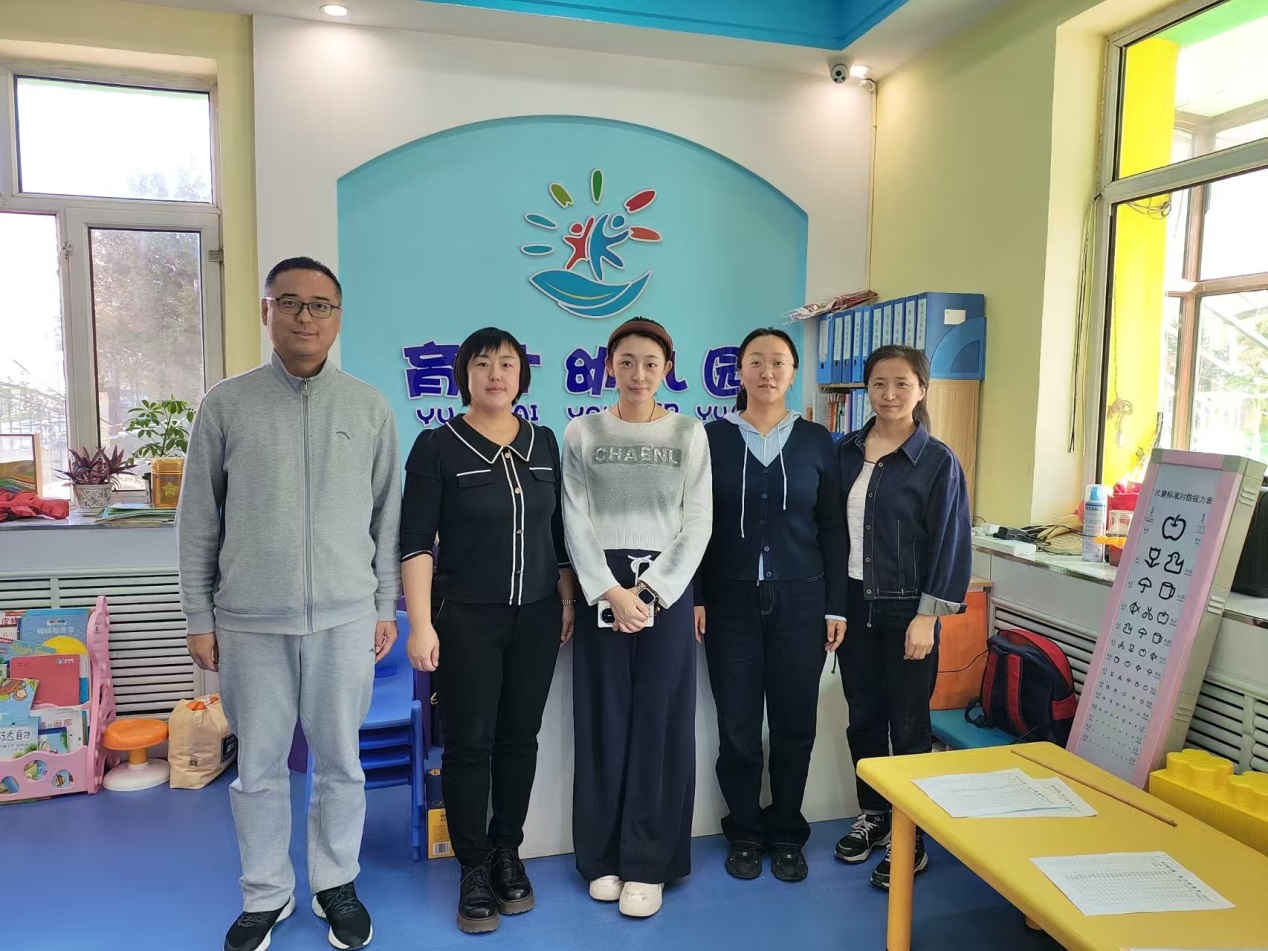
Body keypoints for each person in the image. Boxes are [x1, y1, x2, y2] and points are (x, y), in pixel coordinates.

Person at [178, 256, 400, 951]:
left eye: (321, 305)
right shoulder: (227, 404)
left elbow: (388, 517)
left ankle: (336, 883)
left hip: (345, 618)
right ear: (266, 310)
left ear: (338, 317)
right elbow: (197, 519)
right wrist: (198, 616)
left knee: (341, 762)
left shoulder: (368, 407)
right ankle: (266, 893)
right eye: (291, 302)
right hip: (249, 622)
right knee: (259, 768)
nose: (306, 317)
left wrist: (384, 605)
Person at [399, 327, 577, 935]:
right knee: (470, 744)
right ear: (464, 375)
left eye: (507, 364)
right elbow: (415, 542)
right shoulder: (437, 445)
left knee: (519, 738)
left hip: (537, 616)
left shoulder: (544, 442)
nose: (496, 374)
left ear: (521, 376)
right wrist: (421, 624)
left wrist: (565, 596)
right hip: (466, 618)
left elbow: (557, 535)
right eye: (482, 364)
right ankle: (473, 867)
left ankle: (507, 852)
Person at [562, 317, 712, 919]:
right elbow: (574, 517)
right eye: (626, 362)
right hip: (602, 588)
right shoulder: (583, 431)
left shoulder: (688, 432)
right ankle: (602, 856)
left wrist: (648, 592)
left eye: (650, 363)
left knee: (661, 723)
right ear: (609, 366)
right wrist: (609, 591)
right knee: (602, 720)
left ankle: (649, 864)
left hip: (664, 593)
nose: (638, 373)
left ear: (667, 368)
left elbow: (697, 521)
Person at [694, 327, 846, 883]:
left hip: (802, 601)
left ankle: (786, 832)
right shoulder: (710, 438)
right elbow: (693, 525)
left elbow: (832, 529)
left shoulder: (817, 440)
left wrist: (836, 606)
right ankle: (744, 831)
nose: (766, 372)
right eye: (755, 361)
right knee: (737, 728)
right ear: (739, 372)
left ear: (793, 372)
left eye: (778, 361)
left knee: (793, 724)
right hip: (728, 601)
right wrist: (697, 595)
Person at [833, 345, 972, 888]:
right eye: (879, 384)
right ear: (866, 389)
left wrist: (927, 617)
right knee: (863, 718)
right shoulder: (845, 451)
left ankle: (911, 836)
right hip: (853, 605)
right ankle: (874, 814)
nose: (889, 394)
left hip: (907, 609)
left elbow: (950, 544)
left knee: (908, 724)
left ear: (922, 390)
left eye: (902, 384)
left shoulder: (937, 461)